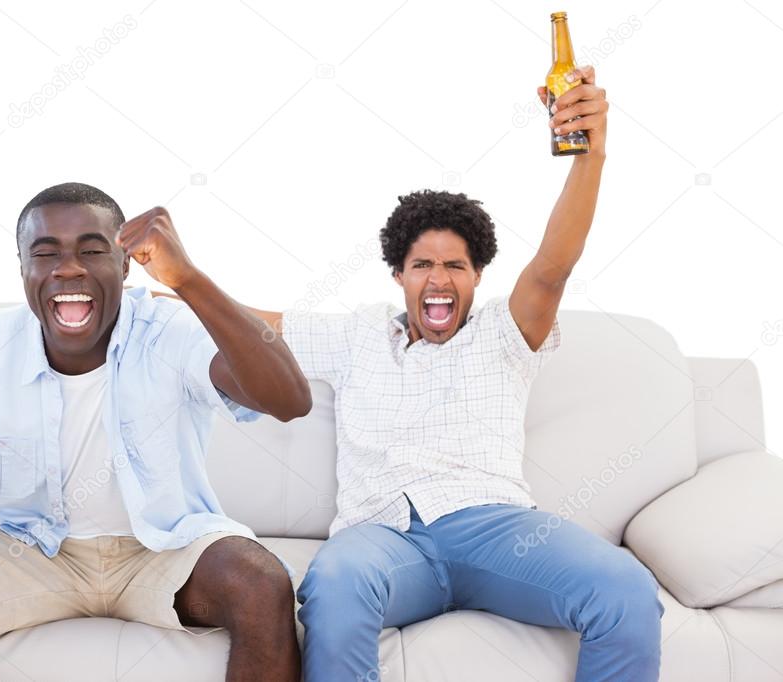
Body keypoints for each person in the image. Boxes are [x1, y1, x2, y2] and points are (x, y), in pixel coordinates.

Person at [237, 67, 664, 681]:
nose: (439, 279)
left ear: (477, 276)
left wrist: (589, 157)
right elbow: (246, 325)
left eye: (455, 266)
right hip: (382, 539)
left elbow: (552, 266)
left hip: (496, 530)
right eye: (422, 265)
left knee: (624, 589)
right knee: (333, 582)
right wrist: (156, 286)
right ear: (398, 275)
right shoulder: (356, 334)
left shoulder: (503, 333)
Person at [0, 183, 310, 682]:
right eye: (45, 253)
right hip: (29, 551)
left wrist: (188, 279)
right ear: (23, 268)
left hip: (162, 550)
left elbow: (289, 400)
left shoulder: (169, 329)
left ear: (126, 263)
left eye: (93, 250)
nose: (67, 268)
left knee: (261, 585)